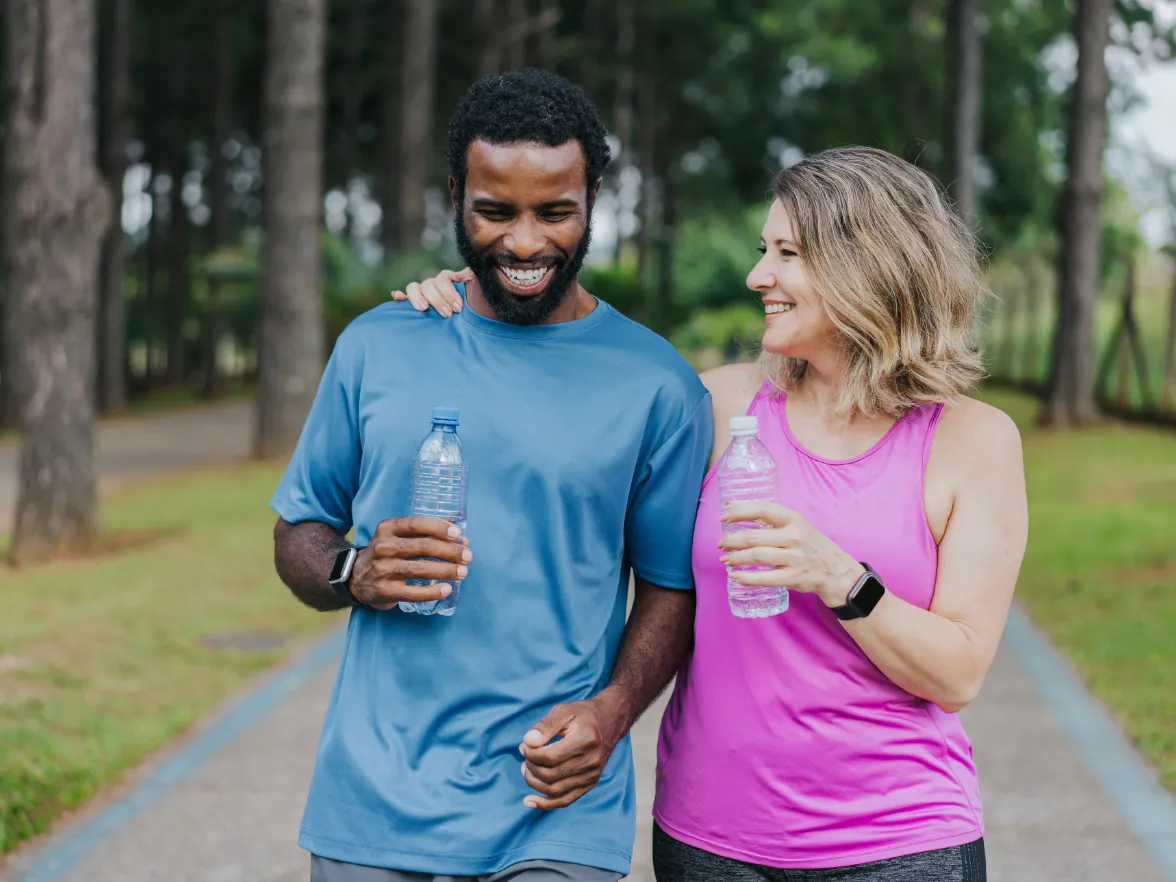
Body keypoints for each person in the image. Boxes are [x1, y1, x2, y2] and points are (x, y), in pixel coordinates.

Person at [393, 146, 1028, 881]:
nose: (759, 275)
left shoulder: (972, 441)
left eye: (787, 253)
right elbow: (570, 384)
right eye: (765, 250)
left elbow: (957, 674)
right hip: (711, 839)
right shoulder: (721, 406)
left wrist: (842, 578)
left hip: (901, 841)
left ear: (869, 265)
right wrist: (473, 297)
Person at [270, 68, 713, 882]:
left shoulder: (657, 384)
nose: (523, 243)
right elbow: (299, 530)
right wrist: (353, 569)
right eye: (494, 211)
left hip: (554, 803)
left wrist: (612, 716)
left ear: (595, 199)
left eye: (555, 211)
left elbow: (672, 588)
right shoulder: (379, 344)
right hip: (373, 801)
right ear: (454, 196)